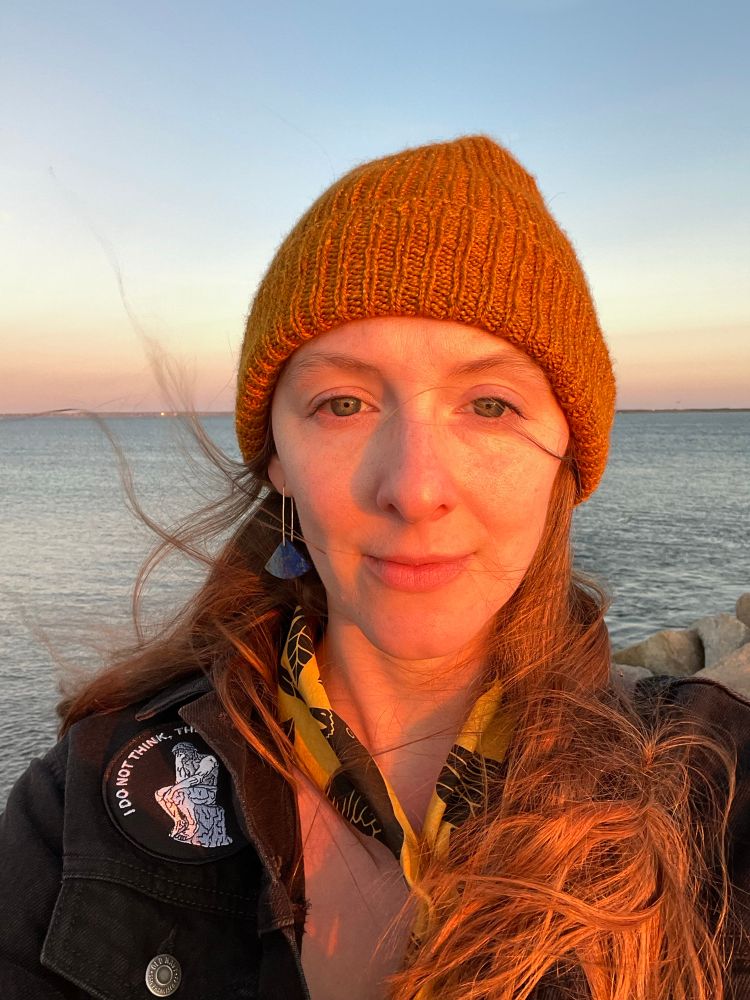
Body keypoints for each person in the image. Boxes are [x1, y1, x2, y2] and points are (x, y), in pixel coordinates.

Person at [1, 134, 749, 1000]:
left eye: (491, 404)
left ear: (566, 463)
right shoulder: (86, 804)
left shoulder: (711, 787)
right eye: (344, 403)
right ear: (277, 457)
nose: (416, 487)